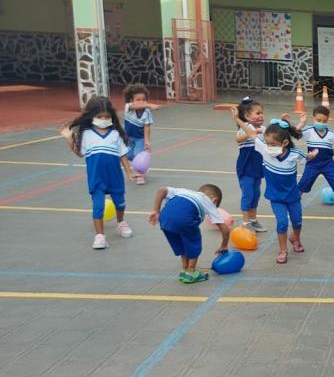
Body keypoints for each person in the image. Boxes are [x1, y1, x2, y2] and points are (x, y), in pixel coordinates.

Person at [233, 110, 317, 265]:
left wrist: (312, 155)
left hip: (293, 196)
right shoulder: (264, 150)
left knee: (297, 221)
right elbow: (250, 133)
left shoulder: (294, 154)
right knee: (282, 223)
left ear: (285, 143)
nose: (269, 147)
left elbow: (307, 159)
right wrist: (238, 119)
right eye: (267, 143)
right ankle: (283, 250)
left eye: (273, 144)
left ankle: (295, 239)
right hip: (276, 197)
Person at [59, 95, 135, 250]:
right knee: (98, 206)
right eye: (100, 116)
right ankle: (100, 236)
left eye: (107, 116)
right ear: (92, 116)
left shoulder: (115, 133)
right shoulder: (87, 134)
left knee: (120, 202)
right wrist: (69, 139)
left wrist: (129, 172)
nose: (103, 119)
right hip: (96, 177)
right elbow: (80, 153)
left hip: (114, 177)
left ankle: (121, 223)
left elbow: (122, 154)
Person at [148, 184, 229, 283]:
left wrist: (156, 211)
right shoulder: (209, 203)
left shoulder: (183, 191)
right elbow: (225, 230)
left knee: (182, 243)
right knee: (193, 242)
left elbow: (161, 190)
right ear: (214, 200)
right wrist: (224, 245)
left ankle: (185, 269)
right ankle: (191, 272)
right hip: (185, 219)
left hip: (165, 218)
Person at [296, 104, 334, 210]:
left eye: (324, 121)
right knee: (304, 182)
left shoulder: (331, 134)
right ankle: (295, 200)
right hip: (312, 163)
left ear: (328, 120)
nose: (321, 123)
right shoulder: (308, 130)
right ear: (313, 118)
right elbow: (296, 134)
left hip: (328, 163)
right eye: (318, 120)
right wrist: (301, 123)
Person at [234, 97, 268, 233]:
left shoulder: (263, 129)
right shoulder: (244, 129)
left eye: (261, 113)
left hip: (258, 168)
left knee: (256, 194)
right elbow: (238, 139)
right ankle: (245, 222)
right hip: (246, 169)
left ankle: (253, 220)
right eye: (257, 113)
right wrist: (251, 132)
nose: (261, 115)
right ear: (247, 116)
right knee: (247, 194)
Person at [122, 83, 155, 183]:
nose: (141, 102)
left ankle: (141, 175)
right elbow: (133, 106)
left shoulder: (147, 112)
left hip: (140, 138)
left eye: (144, 99)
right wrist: (148, 104)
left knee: (138, 155)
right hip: (128, 137)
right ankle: (143, 164)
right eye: (138, 100)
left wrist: (147, 141)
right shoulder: (128, 107)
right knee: (128, 155)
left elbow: (147, 126)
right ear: (131, 101)